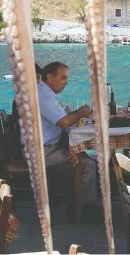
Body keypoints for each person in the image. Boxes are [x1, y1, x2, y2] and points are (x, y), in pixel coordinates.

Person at [31, 61, 98, 214]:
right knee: (87, 164)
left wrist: (74, 114)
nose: (65, 83)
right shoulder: (43, 95)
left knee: (81, 154)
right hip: (43, 152)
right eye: (63, 78)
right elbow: (63, 122)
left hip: (44, 147)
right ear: (49, 77)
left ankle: (76, 203)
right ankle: (86, 210)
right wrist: (81, 113)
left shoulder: (43, 93)